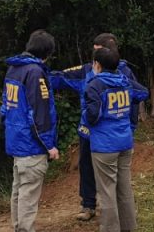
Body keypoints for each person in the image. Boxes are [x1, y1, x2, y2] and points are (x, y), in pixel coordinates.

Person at [51, 33, 143, 221]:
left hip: (112, 133)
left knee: (116, 175)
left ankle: (114, 214)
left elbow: (137, 98)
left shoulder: (124, 73)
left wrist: (131, 126)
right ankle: (88, 205)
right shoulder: (86, 71)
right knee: (87, 167)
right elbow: (60, 78)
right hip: (89, 133)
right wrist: (37, 75)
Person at [1, 29, 58, 232]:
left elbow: (5, 106)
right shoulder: (35, 73)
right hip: (31, 143)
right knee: (28, 193)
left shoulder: (14, 68)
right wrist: (49, 146)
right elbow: (39, 114)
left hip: (16, 139)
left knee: (19, 190)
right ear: (47, 53)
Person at [84, 46, 149, 232]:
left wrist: (85, 118)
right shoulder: (125, 81)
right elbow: (143, 93)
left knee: (106, 189)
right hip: (124, 141)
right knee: (124, 185)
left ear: (97, 64)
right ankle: (128, 225)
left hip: (104, 145)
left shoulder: (95, 85)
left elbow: (93, 116)